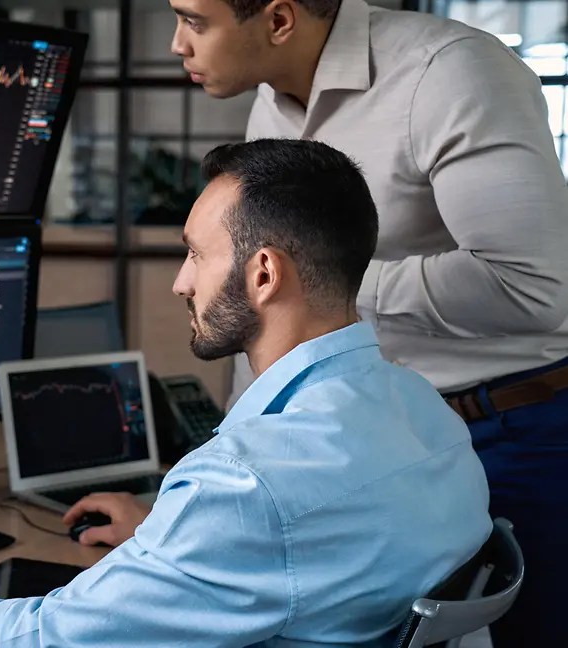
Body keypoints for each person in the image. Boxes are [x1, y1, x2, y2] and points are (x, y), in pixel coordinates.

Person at [0, 139, 493, 647]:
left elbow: (44, 641)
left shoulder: (244, 484)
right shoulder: (427, 414)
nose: (183, 281)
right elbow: (311, 547)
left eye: (195, 253)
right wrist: (167, 532)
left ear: (264, 275)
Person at [167, 0, 568, 644]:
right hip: (377, 446)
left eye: (194, 21)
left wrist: (329, 281)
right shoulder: (271, 105)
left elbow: (534, 288)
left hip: (509, 429)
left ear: (277, 20)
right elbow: (275, 324)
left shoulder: (450, 74)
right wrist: (202, 486)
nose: (176, 44)